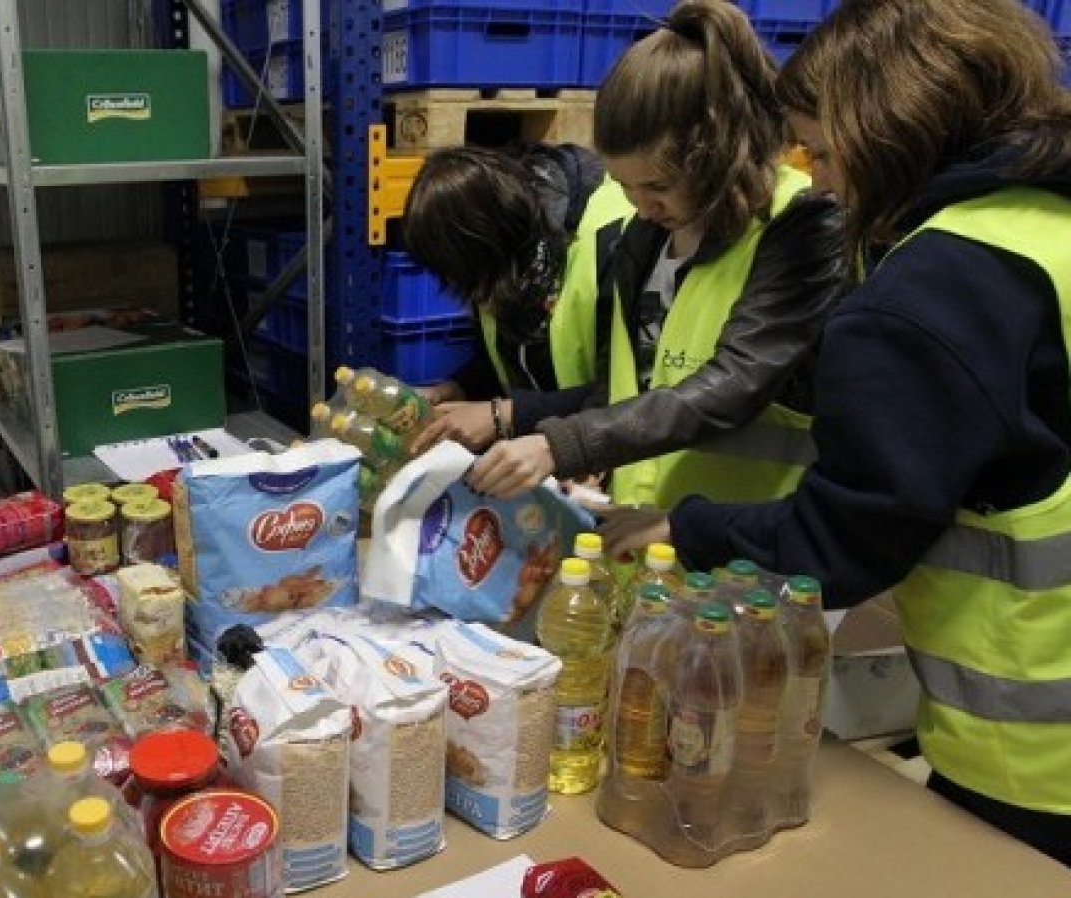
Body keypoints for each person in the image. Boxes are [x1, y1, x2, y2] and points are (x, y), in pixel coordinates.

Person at [602, 0, 1071, 867]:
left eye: (819, 150)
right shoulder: (1047, 229)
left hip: (1036, 753)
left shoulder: (930, 291)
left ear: (886, 126)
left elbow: (848, 535)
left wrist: (689, 529)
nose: (816, 181)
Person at [461, 0, 844, 509]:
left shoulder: (800, 225)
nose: (642, 206)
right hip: (647, 531)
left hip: (746, 540)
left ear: (720, 154)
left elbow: (735, 383)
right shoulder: (643, 237)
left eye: (659, 185)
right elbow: (622, 381)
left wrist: (566, 444)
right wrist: (590, 462)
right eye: (625, 186)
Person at [400, 141, 635, 450]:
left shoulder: (615, 241)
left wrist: (506, 415)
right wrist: (460, 388)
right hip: (554, 456)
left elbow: (630, 394)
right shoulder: (509, 260)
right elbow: (516, 358)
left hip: (615, 458)